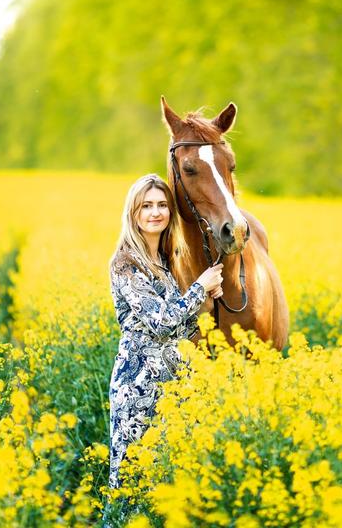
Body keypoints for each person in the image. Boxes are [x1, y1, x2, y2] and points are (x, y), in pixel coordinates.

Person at [105, 174, 223, 507]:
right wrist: (199, 287)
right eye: (146, 206)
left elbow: (180, 331)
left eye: (161, 205)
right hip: (137, 384)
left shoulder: (164, 264)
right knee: (128, 487)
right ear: (134, 213)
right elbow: (160, 322)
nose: (155, 213)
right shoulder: (125, 264)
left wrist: (208, 298)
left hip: (171, 385)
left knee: (165, 488)